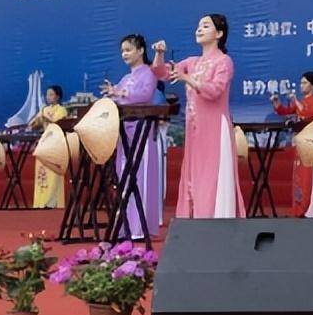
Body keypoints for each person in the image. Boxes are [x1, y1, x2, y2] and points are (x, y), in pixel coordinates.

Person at [152, 14, 245, 218]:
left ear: (219, 33)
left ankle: (217, 221)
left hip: (215, 129)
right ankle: (196, 221)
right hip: (195, 130)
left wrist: (187, 78)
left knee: (213, 175)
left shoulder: (224, 61)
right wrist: (159, 54)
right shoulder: (192, 62)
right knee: (194, 176)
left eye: (205, 26)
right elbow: (162, 73)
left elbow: (215, 91)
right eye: (199, 26)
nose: (199, 29)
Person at [101, 34, 161, 238]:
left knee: (140, 176)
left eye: (128, 50)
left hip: (140, 131)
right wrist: (112, 96)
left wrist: (121, 94)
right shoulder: (126, 79)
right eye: (122, 51)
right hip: (124, 132)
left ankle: (139, 227)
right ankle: (125, 225)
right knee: (124, 175)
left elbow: (145, 95)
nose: (124, 54)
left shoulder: (149, 73)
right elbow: (118, 99)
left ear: (141, 50)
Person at [271, 71, 313, 218]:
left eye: (305, 83)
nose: (302, 85)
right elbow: (286, 111)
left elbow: (307, 114)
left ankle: (311, 208)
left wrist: (295, 100)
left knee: (309, 174)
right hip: (301, 141)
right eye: (301, 83)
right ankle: (299, 205)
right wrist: (277, 103)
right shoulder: (302, 101)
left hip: (311, 143)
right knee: (300, 175)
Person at [30, 85, 67, 208]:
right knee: (42, 173)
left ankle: (52, 202)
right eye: (47, 95)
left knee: (53, 172)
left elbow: (57, 125)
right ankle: (41, 202)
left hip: (55, 143)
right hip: (44, 142)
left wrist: (46, 119)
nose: (48, 97)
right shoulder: (44, 109)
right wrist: (36, 122)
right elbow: (33, 125)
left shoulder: (61, 110)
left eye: (51, 94)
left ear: (58, 96)